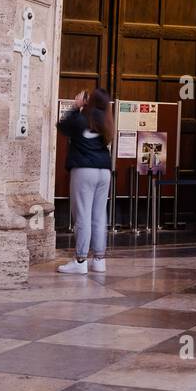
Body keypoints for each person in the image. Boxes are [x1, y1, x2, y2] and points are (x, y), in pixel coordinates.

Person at [56, 88, 114, 275]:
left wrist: (75, 106)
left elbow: (62, 126)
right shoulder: (106, 122)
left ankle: (81, 260)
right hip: (104, 171)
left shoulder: (81, 119)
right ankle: (99, 260)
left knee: (82, 216)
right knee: (99, 216)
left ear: (89, 101)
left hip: (84, 170)